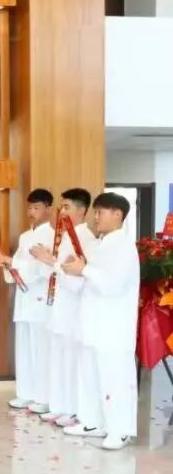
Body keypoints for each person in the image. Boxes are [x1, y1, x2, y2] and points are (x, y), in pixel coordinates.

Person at [62, 192, 139, 450]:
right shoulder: (98, 245)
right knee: (90, 375)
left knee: (115, 378)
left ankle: (120, 429)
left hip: (113, 327)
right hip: (91, 322)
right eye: (95, 212)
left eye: (100, 212)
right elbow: (85, 282)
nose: (95, 218)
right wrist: (73, 270)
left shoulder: (124, 247)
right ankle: (92, 422)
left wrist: (84, 269)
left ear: (117, 215)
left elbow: (113, 285)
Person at [29, 189, 97, 427]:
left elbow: (77, 279)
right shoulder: (66, 237)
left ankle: (74, 410)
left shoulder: (85, 239)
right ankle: (60, 406)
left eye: (67, 207)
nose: (62, 212)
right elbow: (57, 270)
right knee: (58, 360)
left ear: (81, 210)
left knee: (71, 362)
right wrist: (48, 260)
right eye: (62, 208)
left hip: (73, 311)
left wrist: (51, 261)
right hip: (58, 308)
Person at [0, 189, 54, 411]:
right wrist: (5, 263)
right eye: (30, 207)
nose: (32, 212)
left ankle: (43, 397)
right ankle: (25, 393)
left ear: (48, 209)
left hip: (40, 299)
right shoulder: (24, 237)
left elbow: (42, 269)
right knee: (23, 348)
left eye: (37, 207)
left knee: (40, 350)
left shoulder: (52, 236)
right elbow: (16, 267)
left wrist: (9, 261)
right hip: (23, 299)